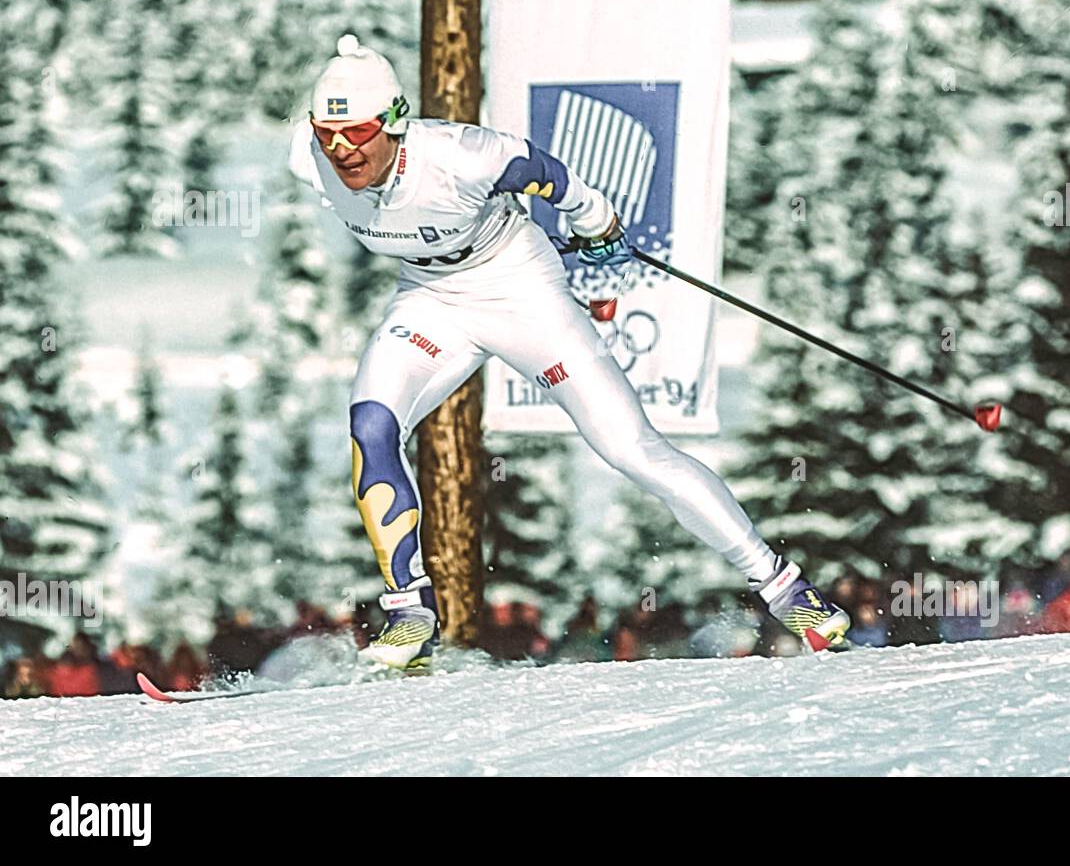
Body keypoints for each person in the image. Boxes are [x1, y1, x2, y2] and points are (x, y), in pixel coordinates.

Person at [290, 36, 850, 671]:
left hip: (520, 289)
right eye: (327, 132)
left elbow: (547, 174)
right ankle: (408, 612)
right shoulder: (307, 156)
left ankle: (788, 590)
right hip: (430, 298)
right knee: (371, 425)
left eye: (357, 132)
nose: (341, 151)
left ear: (393, 122)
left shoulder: (459, 156)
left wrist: (595, 222)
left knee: (631, 450)